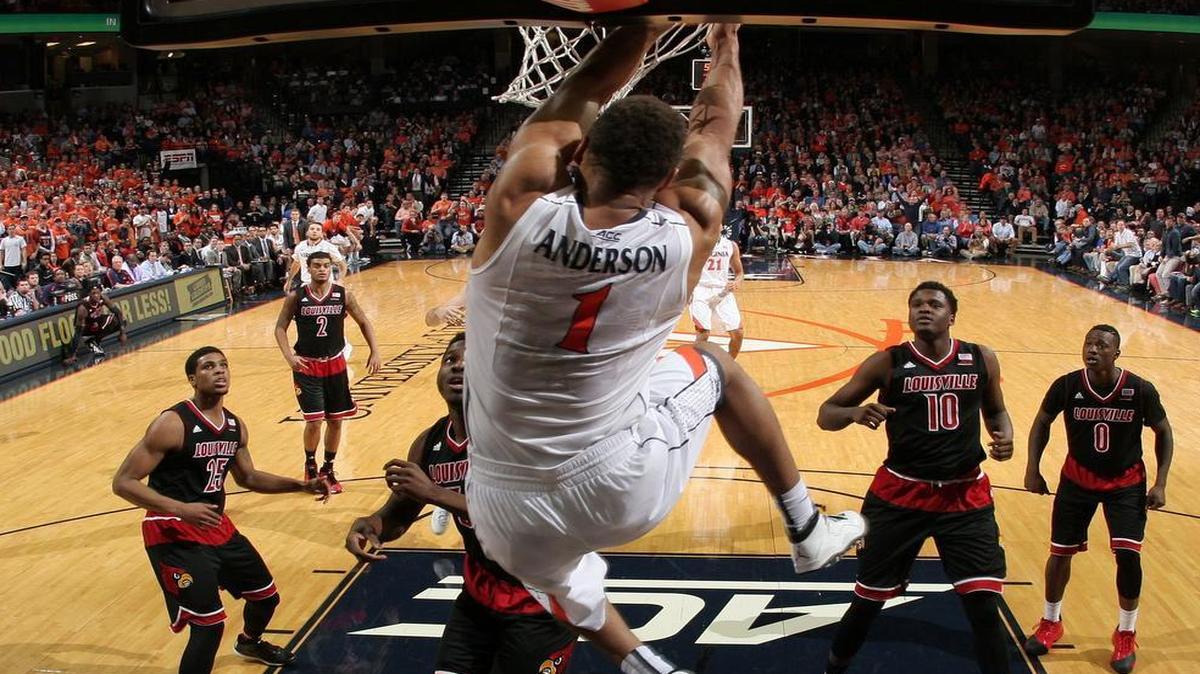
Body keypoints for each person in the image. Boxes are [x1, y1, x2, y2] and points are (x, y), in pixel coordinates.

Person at [463, 24, 864, 674]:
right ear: (666, 176)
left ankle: (636, 651)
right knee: (717, 367)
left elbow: (586, 85)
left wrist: (644, 22)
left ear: (580, 151)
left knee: (557, 574)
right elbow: (716, 118)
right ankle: (805, 530)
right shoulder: (691, 229)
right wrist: (726, 36)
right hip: (615, 484)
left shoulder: (517, 205)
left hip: (499, 505)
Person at [346, 334, 578, 673]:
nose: (459, 365)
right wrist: (372, 525)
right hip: (480, 595)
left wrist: (437, 495)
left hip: (541, 600)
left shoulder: (517, 435)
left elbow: (530, 515)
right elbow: (400, 513)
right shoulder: (430, 442)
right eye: (450, 360)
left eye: (472, 361)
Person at [817, 281, 1014, 674]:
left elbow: (996, 411)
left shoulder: (981, 358)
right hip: (900, 495)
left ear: (951, 315)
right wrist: (856, 413)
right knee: (869, 600)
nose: (924, 310)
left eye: (934, 304)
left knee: (983, 605)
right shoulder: (887, 362)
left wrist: (1004, 435)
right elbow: (827, 413)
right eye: (917, 305)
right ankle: (834, 668)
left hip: (965, 498)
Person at [111, 346, 329, 674]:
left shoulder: (234, 426)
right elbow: (124, 482)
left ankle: (250, 642)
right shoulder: (172, 423)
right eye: (209, 366)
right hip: (171, 529)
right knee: (209, 625)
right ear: (192, 379)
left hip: (214, 525)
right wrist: (181, 508)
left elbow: (249, 477)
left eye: (224, 365)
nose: (219, 371)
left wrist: (299, 485)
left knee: (266, 596)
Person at [1023, 325, 1173, 674]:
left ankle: (1126, 631)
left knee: (1128, 556)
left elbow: (1163, 431)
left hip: (1126, 482)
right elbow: (1041, 422)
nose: (1093, 349)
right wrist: (1033, 468)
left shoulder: (1139, 389)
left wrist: (1161, 482)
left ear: (1116, 353)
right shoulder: (1067, 385)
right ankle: (1050, 622)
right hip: (1077, 479)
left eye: (1102, 345)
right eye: (1089, 343)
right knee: (1059, 554)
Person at [274, 251, 381, 493]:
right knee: (314, 422)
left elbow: (364, 322)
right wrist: (289, 356)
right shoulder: (296, 297)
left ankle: (328, 469)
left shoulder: (343, 295)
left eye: (326, 266)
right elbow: (280, 328)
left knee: (336, 420)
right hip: (307, 366)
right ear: (308, 269)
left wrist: (375, 351)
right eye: (317, 266)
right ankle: (310, 466)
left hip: (335, 364)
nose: (322, 269)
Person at [690, 234, 745, 358]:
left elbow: (739, 273)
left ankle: (729, 365)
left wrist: (736, 282)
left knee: (738, 332)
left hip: (723, 290)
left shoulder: (731, 245)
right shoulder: (695, 242)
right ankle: (697, 368)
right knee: (703, 333)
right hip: (700, 289)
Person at [65, 283, 127, 364]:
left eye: (98, 293)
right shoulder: (82, 308)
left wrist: (122, 333)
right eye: (94, 293)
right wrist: (73, 355)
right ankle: (90, 341)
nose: (97, 295)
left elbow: (118, 313)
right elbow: (78, 332)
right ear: (89, 294)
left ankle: (95, 341)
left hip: (96, 322)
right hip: (86, 328)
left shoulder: (103, 298)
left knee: (121, 321)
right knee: (92, 327)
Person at [285, 223, 347, 291]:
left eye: (318, 229)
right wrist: (289, 281)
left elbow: (342, 265)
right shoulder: (300, 246)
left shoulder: (329, 247)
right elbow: (296, 264)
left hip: (326, 284)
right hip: (307, 284)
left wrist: (340, 280)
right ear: (307, 232)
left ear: (322, 234)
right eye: (312, 229)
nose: (314, 231)